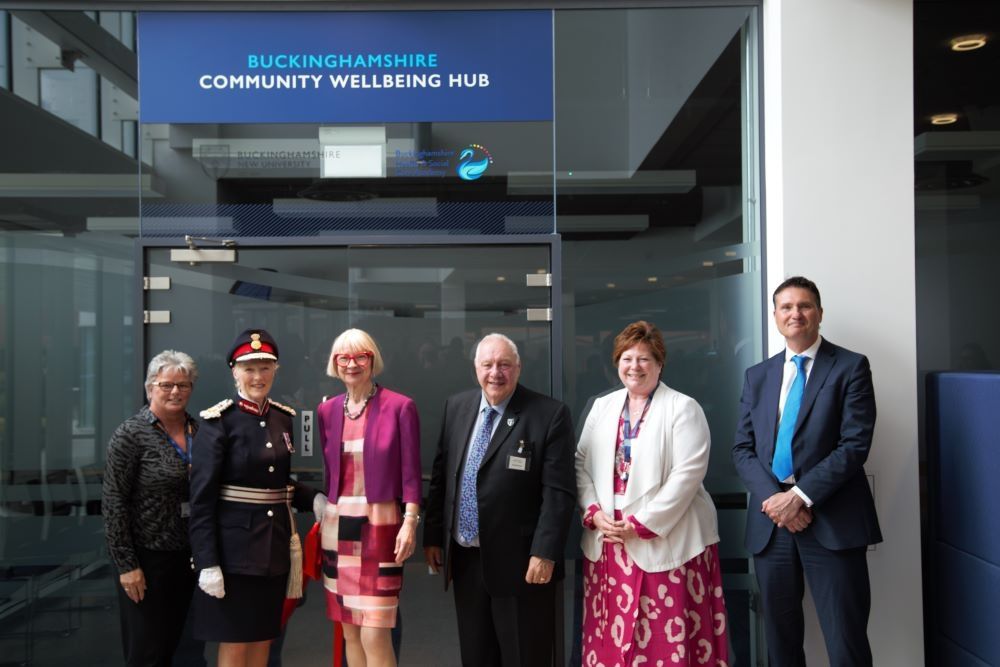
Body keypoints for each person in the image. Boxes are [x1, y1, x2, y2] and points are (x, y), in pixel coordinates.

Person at [732, 276, 881, 666]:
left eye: (804, 306)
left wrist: (798, 498)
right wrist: (776, 502)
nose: (795, 313)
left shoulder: (851, 367)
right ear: (776, 317)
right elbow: (743, 449)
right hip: (773, 526)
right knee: (781, 644)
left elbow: (854, 445)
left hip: (832, 520)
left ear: (819, 313)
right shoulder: (758, 375)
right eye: (786, 307)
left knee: (845, 640)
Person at [575, 321, 729, 667]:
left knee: (665, 643)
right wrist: (595, 512)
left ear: (660, 363)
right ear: (617, 363)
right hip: (609, 545)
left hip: (668, 544)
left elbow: (687, 475)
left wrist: (641, 523)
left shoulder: (683, 407)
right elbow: (579, 463)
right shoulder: (602, 407)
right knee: (612, 645)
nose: (635, 366)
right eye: (627, 358)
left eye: (644, 359)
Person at [424, 333, 576, 667]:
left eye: (504, 364)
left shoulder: (548, 414)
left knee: (525, 658)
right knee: (477, 657)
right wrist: (434, 536)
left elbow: (559, 493)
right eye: (488, 364)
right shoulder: (457, 407)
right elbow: (442, 477)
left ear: (518, 368)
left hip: (523, 565)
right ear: (475, 368)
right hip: (466, 560)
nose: (496, 372)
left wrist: (545, 552)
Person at [188, 329, 324, 667]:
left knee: (264, 639)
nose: (257, 376)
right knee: (236, 644)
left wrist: (314, 498)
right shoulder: (218, 422)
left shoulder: (282, 418)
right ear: (234, 371)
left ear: (275, 371)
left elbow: (274, 483)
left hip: (274, 551)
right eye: (249, 368)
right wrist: (207, 562)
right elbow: (201, 500)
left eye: (265, 367)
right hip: (233, 555)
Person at [316, 328, 421, 667]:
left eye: (360, 356)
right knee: (349, 631)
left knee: (375, 631)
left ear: (372, 359)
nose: (352, 364)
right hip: (337, 527)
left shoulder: (400, 407)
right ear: (335, 363)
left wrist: (410, 522)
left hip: (381, 525)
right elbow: (331, 473)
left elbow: (410, 473)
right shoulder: (327, 411)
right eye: (343, 357)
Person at [102, 350, 201, 666]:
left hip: (190, 557)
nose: (175, 392)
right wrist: (126, 565)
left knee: (181, 646)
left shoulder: (199, 431)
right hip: (147, 560)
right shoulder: (130, 434)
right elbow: (114, 501)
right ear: (150, 388)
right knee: (146, 652)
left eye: (183, 385)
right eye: (166, 384)